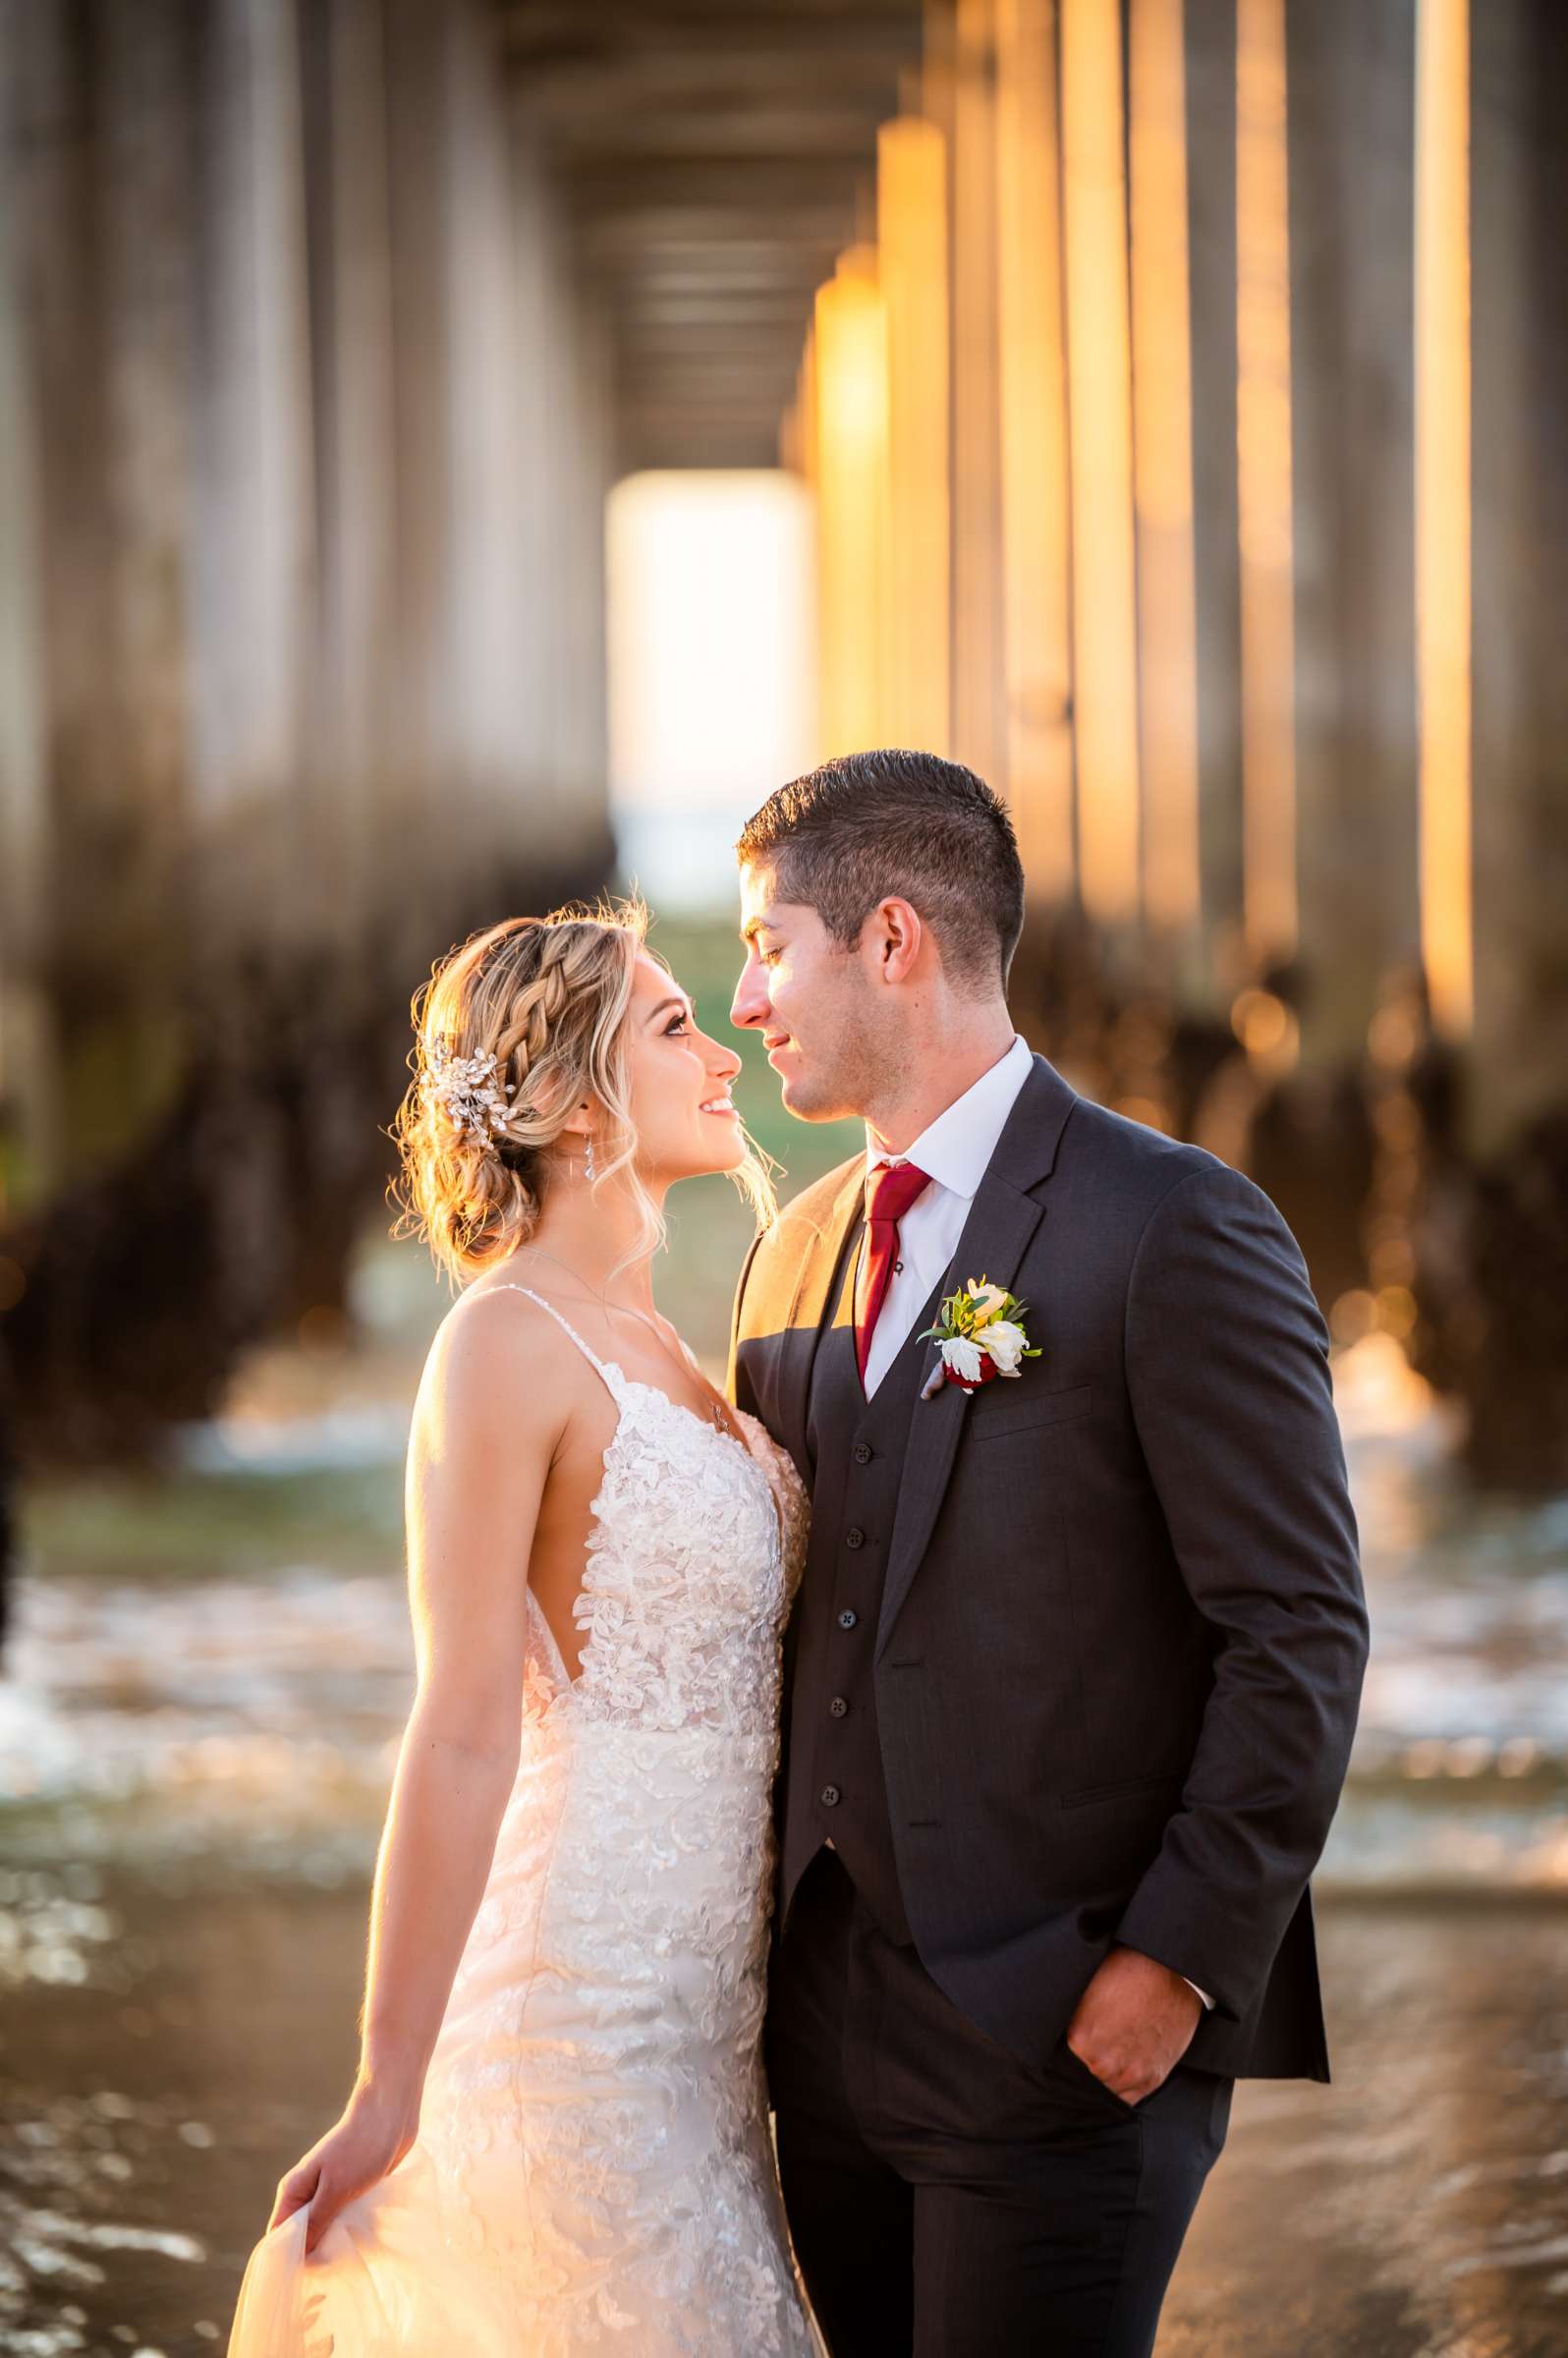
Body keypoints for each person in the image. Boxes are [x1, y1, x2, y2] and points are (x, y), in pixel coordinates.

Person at [726, 751, 1370, 2358]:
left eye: (769, 945)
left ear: (891, 942)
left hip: (1069, 2024)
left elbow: (1295, 1627)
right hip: (822, 2048)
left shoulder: (1173, 1225)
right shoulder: (791, 1252)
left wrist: (1175, 1966)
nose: (745, 998)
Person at [227, 902, 820, 2356]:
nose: (727, 1046)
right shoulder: (504, 1343)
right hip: (575, 2024)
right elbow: (463, 1730)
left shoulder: (678, 1349)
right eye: (676, 1027)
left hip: (709, 2031)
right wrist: (387, 2081)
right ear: (565, 1104)